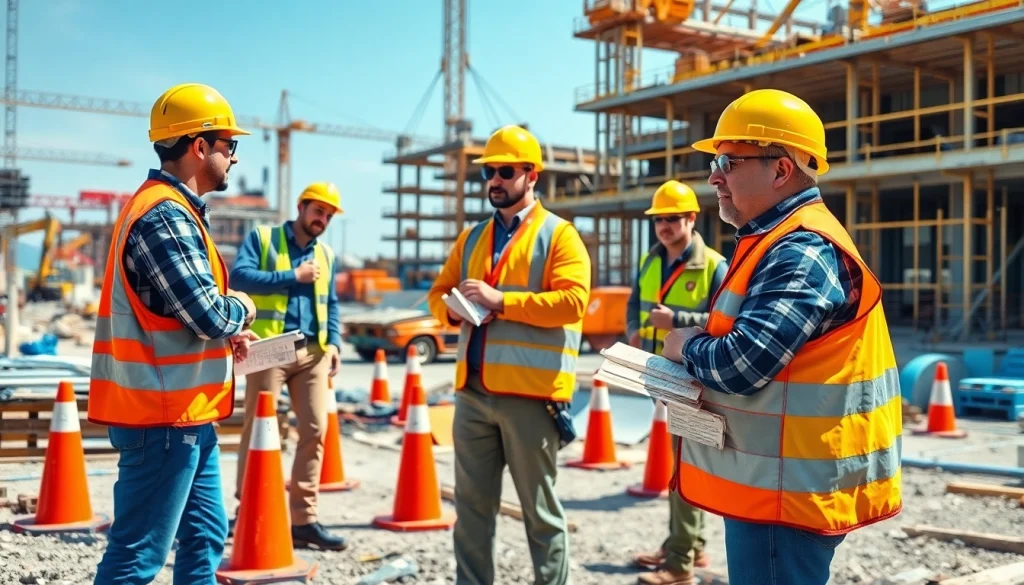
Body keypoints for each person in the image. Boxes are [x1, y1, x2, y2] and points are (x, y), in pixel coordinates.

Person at [661, 89, 903, 585]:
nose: (714, 176)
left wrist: (683, 345)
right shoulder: (773, 241)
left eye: (729, 161)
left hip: (787, 494)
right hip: (776, 483)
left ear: (780, 169)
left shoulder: (800, 248)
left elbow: (741, 364)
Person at [88, 82, 258, 584]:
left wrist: (223, 339)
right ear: (199, 146)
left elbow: (174, 314)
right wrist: (241, 311)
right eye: (229, 146)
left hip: (185, 415)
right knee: (137, 557)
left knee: (205, 535)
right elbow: (207, 313)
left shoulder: (174, 211)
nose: (232, 158)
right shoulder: (164, 215)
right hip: (161, 420)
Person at [427, 124, 591, 585]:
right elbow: (437, 294)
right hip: (473, 395)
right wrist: (451, 312)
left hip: (531, 399)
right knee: (472, 514)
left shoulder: (560, 236)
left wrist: (502, 301)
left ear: (531, 175)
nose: (493, 181)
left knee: (540, 515)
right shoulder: (473, 236)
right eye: (488, 173)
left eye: (504, 171)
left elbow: (574, 303)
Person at [228, 181, 346, 551]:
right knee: (259, 430)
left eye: (328, 215)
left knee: (315, 430)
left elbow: (333, 301)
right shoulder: (264, 239)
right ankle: (248, 508)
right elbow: (239, 278)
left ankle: (303, 520)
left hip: (313, 351)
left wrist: (336, 342)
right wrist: (291, 277)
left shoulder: (325, 254)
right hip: (270, 349)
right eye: (318, 212)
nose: (322, 220)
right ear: (301, 207)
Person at [625, 180, 727, 585]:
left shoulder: (715, 266)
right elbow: (635, 303)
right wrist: (633, 329)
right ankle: (689, 546)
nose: (664, 226)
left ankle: (679, 563)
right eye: (659, 219)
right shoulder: (650, 261)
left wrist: (677, 323)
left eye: (672, 218)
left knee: (684, 469)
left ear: (690, 219)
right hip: (661, 377)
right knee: (682, 465)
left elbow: (724, 324)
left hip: (694, 380)